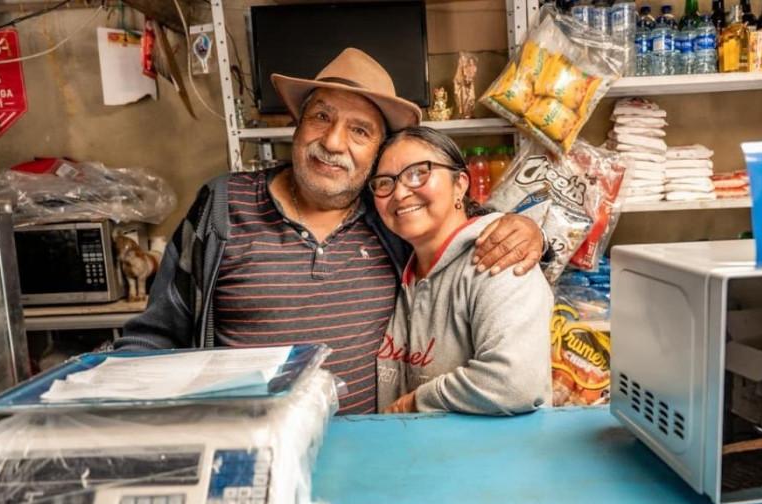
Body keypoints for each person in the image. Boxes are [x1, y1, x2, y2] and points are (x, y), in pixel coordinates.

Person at [114, 48, 545, 415]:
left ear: (377, 154)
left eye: (360, 130)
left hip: (371, 457)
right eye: (322, 117)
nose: (334, 142)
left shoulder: (388, 216)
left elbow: (461, 219)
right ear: (297, 126)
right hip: (244, 451)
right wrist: (111, 404)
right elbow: (155, 334)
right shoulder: (224, 205)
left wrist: (532, 232)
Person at [372, 127, 552, 415]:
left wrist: (415, 402)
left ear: (460, 184)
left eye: (418, 173)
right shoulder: (399, 261)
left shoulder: (498, 256)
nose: (400, 192)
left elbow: (516, 382)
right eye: (384, 182)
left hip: (486, 458)